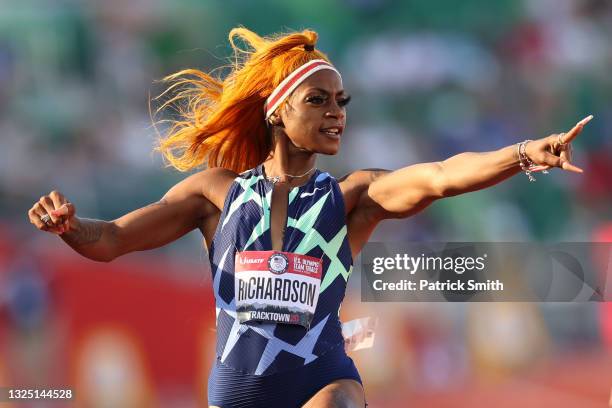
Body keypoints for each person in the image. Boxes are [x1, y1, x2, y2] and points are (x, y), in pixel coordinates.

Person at [27, 27, 592, 408]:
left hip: (320, 379)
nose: (336, 114)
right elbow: (111, 241)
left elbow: (441, 176)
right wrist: (69, 228)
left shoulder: (353, 196)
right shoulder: (214, 195)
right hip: (236, 389)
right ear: (277, 109)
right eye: (319, 100)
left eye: (343, 101)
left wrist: (521, 154)